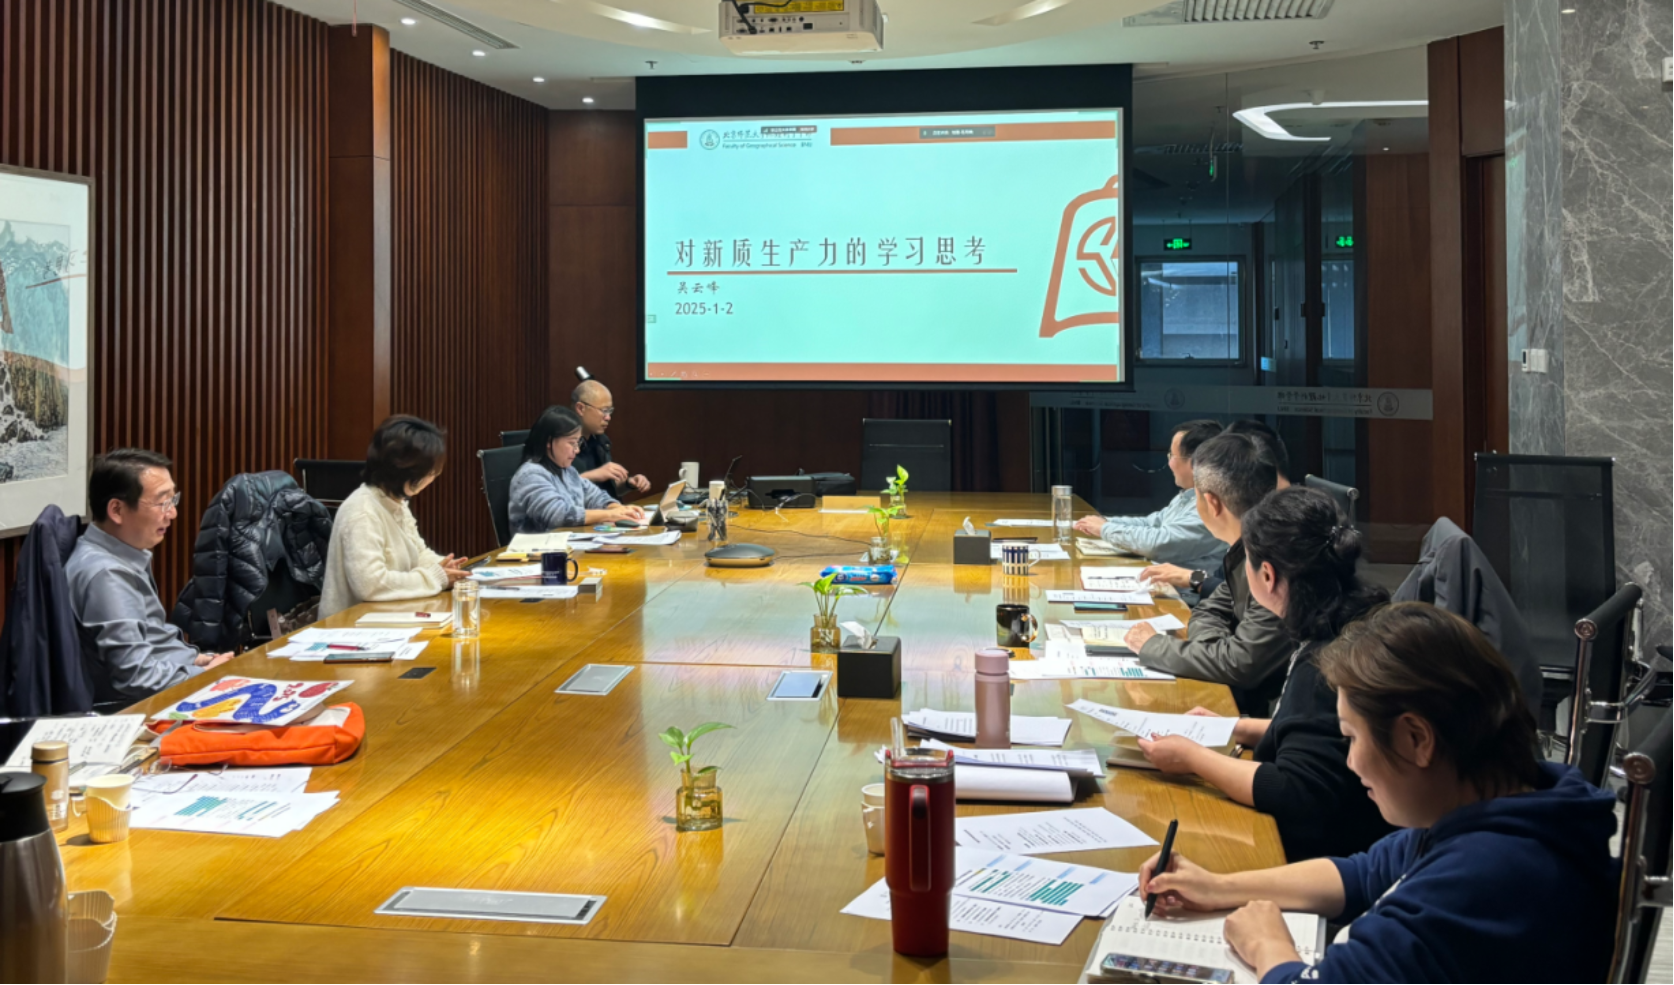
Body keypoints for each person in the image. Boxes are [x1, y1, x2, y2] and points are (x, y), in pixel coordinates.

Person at [1140, 603, 1620, 984]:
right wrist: (1218, 887)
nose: (1350, 762)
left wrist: (1268, 946)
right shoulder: (1509, 800)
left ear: (1416, 739)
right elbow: (1362, 874)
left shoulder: (1482, 878)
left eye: (1351, 738)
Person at [1135, 486, 1394, 861]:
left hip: (1329, 854)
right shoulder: (1352, 619)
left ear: (1267, 576)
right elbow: (1325, 730)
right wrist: (1237, 727)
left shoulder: (1323, 662)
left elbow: (1294, 791)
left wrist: (1192, 758)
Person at [1127, 433, 1291, 715]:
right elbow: (1210, 609)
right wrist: (1214, 650)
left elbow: (1240, 664)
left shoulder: (1274, 561)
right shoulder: (1245, 548)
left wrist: (1153, 646)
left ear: (1212, 503)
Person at [65, 450, 233, 703]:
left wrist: (196, 660)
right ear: (117, 510)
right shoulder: (106, 575)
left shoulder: (122, 552)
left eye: (173, 499)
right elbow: (135, 675)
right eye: (162, 503)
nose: (173, 513)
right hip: (135, 709)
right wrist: (204, 675)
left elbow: (150, 636)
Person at [319, 416, 470, 619]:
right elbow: (370, 585)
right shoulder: (363, 512)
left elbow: (418, 553)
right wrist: (436, 578)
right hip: (350, 626)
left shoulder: (394, 500)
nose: (434, 476)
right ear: (405, 471)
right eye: (430, 471)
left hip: (386, 618)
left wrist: (444, 566)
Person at [1143, 420, 1291, 596]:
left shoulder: (1281, 538)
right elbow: (1227, 591)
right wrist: (1194, 578)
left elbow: (1244, 600)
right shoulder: (1246, 538)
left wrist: (1194, 579)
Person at [1073, 420, 1226, 574]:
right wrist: (1104, 522)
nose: (1169, 463)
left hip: (1187, 588)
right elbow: (1152, 523)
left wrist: (1104, 529)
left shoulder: (1213, 504)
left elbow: (1159, 544)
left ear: (1196, 463)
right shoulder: (1189, 496)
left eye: (1172, 455)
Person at [509, 406, 647, 534]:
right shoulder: (530, 475)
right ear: (548, 442)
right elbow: (560, 516)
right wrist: (610, 515)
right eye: (571, 443)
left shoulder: (568, 471)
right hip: (538, 549)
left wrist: (617, 508)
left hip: (569, 544)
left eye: (578, 442)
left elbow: (595, 497)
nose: (577, 450)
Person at [571, 380, 651, 501]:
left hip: (609, 509)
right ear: (581, 408)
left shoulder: (601, 441)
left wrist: (628, 483)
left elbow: (609, 489)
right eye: (604, 411)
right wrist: (595, 475)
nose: (608, 417)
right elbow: (558, 489)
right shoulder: (560, 443)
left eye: (610, 411)